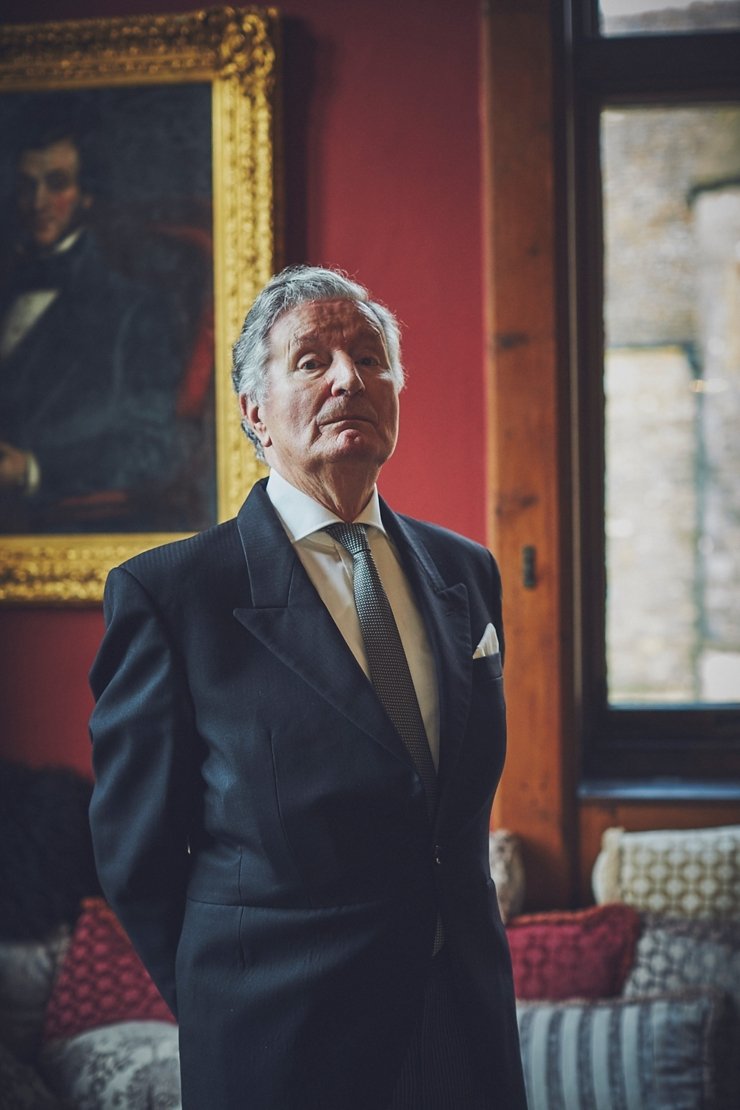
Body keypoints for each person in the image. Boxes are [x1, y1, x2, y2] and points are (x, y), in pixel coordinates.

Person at [88, 265, 528, 1109]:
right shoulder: (174, 595)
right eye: (311, 361)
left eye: (370, 358)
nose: (348, 378)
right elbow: (137, 858)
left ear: (396, 390)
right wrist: (230, 1004)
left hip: (463, 1025)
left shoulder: (465, 572)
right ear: (255, 412)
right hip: (281, 1040)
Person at [0, 122, 184, 533]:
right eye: (27, 186)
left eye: (57, 184)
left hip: (60, 527)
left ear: (86, 195)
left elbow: (153, 449)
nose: (38, 202)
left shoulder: (134, 310)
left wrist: (32, 469)